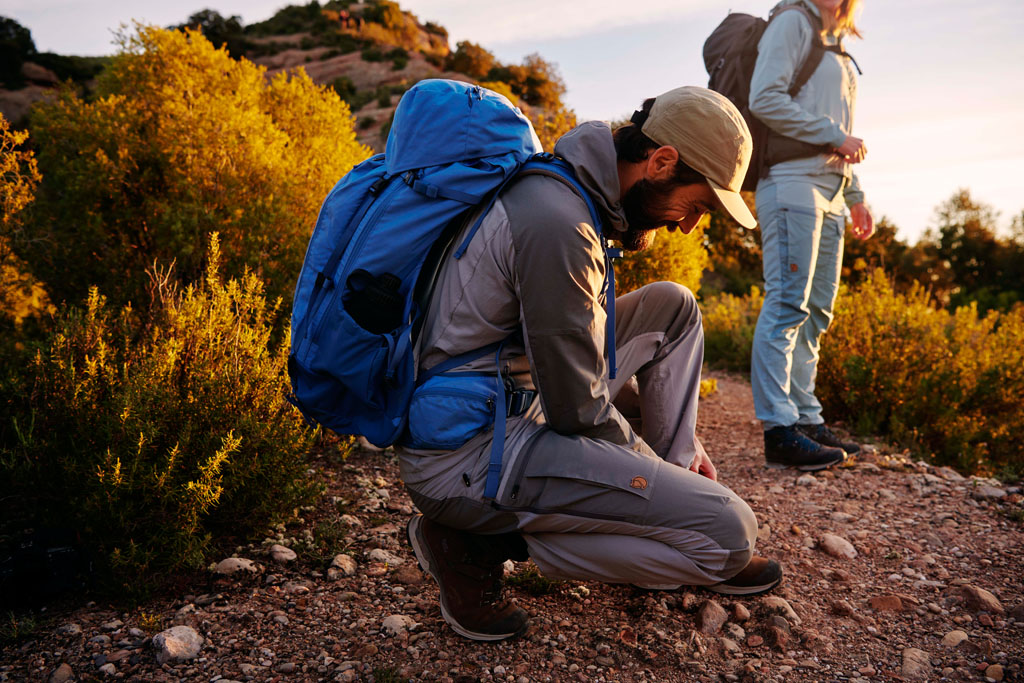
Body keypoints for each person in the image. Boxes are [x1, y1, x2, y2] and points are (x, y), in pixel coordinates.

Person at [400, 86, 782, 642]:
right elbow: (578, 409)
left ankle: (676, 495)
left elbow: (575, 350)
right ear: (661, 162)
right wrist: (659, 474)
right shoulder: (559, 222)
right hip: (469, 454)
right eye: (696, 205)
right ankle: (472, 543)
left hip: (509, 397)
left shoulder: (572, 191)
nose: (687, 226)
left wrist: (670, 460)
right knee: (728, 534)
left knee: (673, 306)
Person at [748, 0, 874, 471]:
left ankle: (805, 416)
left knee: (818, 309)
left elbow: (842, 132)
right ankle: (779, 430)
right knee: (787, 304)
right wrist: (829, 135)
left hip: (834, 189)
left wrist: (856, 191)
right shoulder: (791, 22)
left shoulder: (838, 42)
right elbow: (764, 96)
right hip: (792, 181)